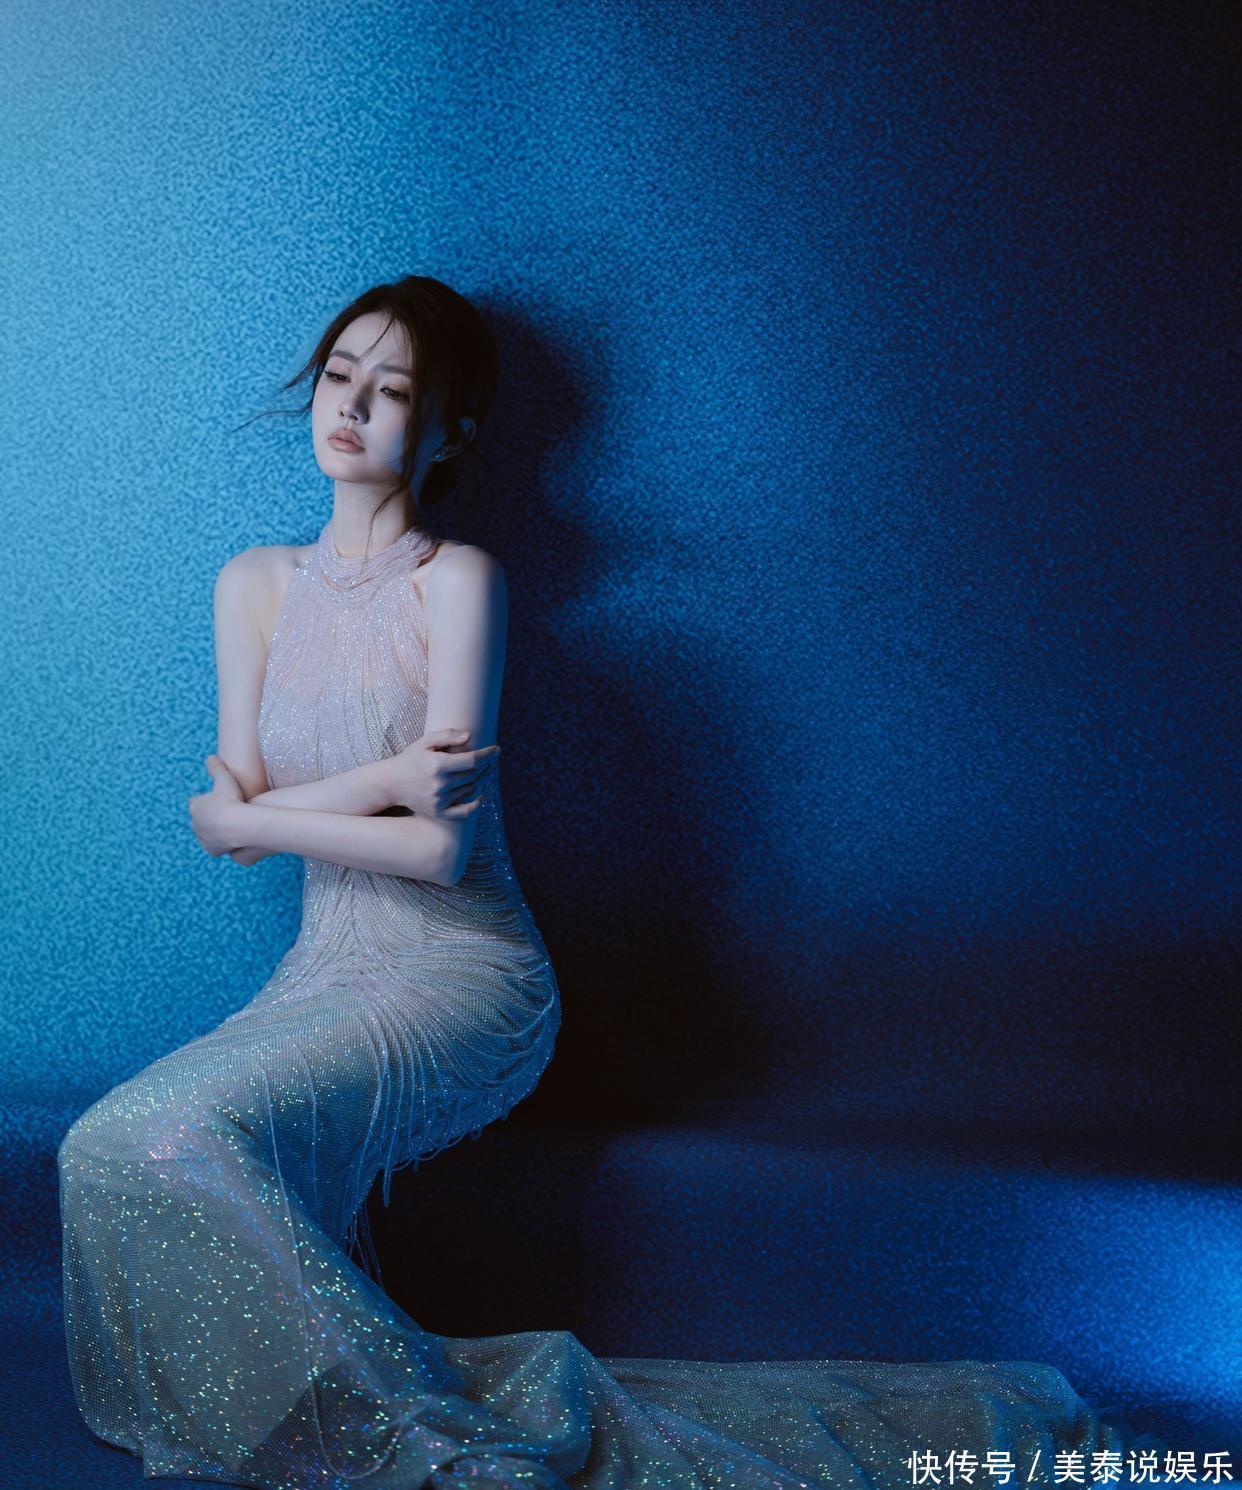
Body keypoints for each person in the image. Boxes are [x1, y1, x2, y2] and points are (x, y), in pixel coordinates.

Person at [57, 276, 1163, 1489]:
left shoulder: (457, 584)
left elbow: (432, 849)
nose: (353, 407)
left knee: (167, 1132)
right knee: (109, 1144)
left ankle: (408, 1437)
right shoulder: (254, 584)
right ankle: (363, 1408)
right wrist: (370, 784)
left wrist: (258, 814)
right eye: (339, 376)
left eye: (394, 390)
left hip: (462, 973)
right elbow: (239, 830)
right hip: (322, 967)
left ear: (449, 432)